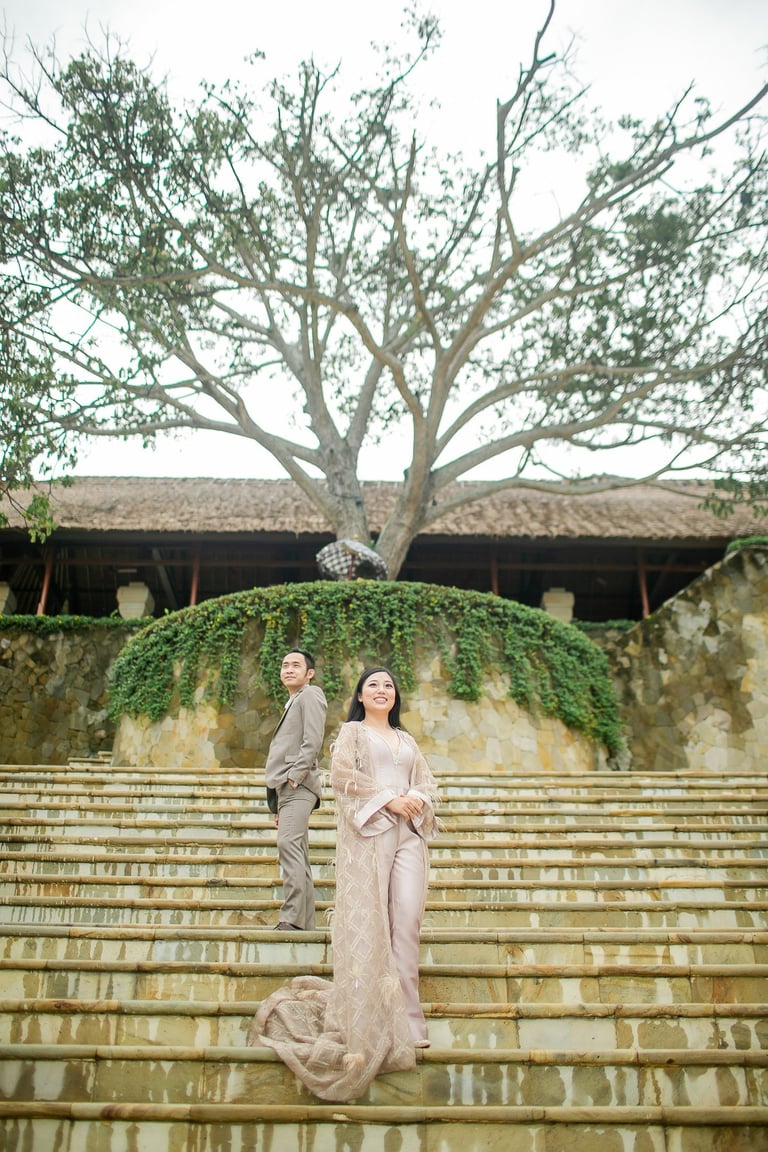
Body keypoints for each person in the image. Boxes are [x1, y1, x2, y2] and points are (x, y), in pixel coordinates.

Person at [249, 666, 440, 1102]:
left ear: (396, 696)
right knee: (373, 922)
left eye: (389, 685)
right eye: (373, 684)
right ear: (360, 693)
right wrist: (389, 797)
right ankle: (378, 1019)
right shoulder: (352, 733)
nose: (382, 690)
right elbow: (341, 776)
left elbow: (427, 781)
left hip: (409, 834)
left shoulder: (406, 741)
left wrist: (418, 798)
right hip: (372, 830)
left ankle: (410, 1017)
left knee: (406, 922)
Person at [265, 648, 327, 931]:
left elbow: (312, 740)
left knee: (288, 845)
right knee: (297, 850)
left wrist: (294, 776)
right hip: (286, 790)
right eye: (284, 665)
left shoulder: (311, 695)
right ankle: (305, 923)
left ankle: (291, 918)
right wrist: (277, 802)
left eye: (295, 665)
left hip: (299, 785)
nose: (288, 669)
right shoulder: (292, 701)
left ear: (309, 673)